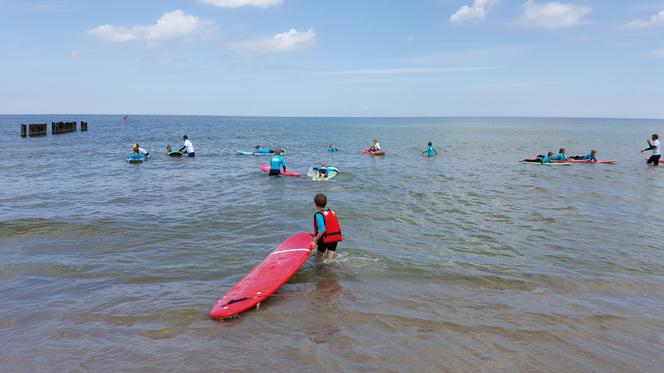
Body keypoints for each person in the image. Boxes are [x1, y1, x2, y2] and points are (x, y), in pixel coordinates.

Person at [310, 193, 342, 260]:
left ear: (315, 204)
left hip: (324, 239)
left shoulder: (319, 215)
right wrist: (315, 234)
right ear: (325, 203)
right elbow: (330, 225)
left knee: (318, 257)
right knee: (329, 260)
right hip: (334, 238)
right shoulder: (332, 212)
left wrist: (314, 241)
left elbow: (322, 230)